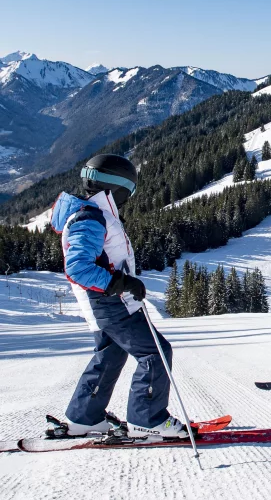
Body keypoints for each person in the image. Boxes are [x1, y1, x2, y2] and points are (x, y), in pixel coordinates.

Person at [50, 154, 186, 438]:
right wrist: (120, 283)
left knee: (109, 357)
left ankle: (84, 418)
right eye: (131, 189)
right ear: (116, 186)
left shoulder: (94, 214)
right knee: (155, 353)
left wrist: (124, 282)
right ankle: (147, 420)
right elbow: (78, 267)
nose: (131, 196)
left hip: (104, 303)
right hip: (111, 303)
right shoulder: (91, 218)